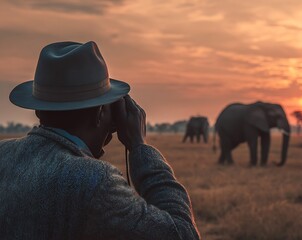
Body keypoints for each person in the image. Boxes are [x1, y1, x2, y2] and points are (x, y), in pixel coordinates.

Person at [0, 41, 201, 239]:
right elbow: (183, 234)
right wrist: (139, 146)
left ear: (38, 110)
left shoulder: (3, 153)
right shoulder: (95, 181)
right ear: (100, 114)